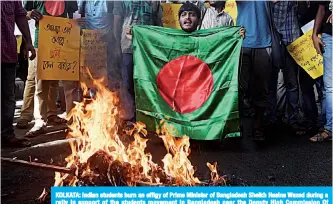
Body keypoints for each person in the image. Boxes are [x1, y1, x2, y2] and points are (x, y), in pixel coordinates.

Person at [23, 1, 78, 137]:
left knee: (70, 84)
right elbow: (22, 13)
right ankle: (40, 121)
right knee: (41, 84)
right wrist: (29, 14)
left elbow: (73, 16)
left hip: (66, 43)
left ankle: (73, 121)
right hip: (43, 44)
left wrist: (77, 25)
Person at [113, 1, 163, 125]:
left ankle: (146, 117)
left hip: (147, 48)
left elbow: (159, 24)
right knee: (127, 83)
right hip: (127, 47)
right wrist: (117, 45)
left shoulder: (155, 2)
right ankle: (131, 117)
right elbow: (117, 21)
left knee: (146, 82)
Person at [269, 1, 308, 136]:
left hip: (292, 38)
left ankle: (292, 119)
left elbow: (303, 11)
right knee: (271, 82)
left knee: (292, 83)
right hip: (272, 38)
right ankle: (271, 117)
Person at [236, 1, 272, 141]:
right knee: (239, 88)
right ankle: (237, 126)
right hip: (242, 41)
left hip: (264, 43)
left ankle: (258, 127)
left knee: (261, 89)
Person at [1, 0, 36, 147]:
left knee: (8, 97)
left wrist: (28, 41)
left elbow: (20, 15)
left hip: (7, 53)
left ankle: (6, 135)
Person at [78, 0, 121, 92]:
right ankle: (92, 99)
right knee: (90, 74)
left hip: (107, 41)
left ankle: (109, 98)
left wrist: (114, 40)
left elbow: (117, 17)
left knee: (109, 74)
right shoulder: (83, 2)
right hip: (89, 41)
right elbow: (78, 14)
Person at [310, 1, 332, 142]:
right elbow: (322, 6)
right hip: (330, 36)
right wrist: (314, 34)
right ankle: (330, 128)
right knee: (329, 86)